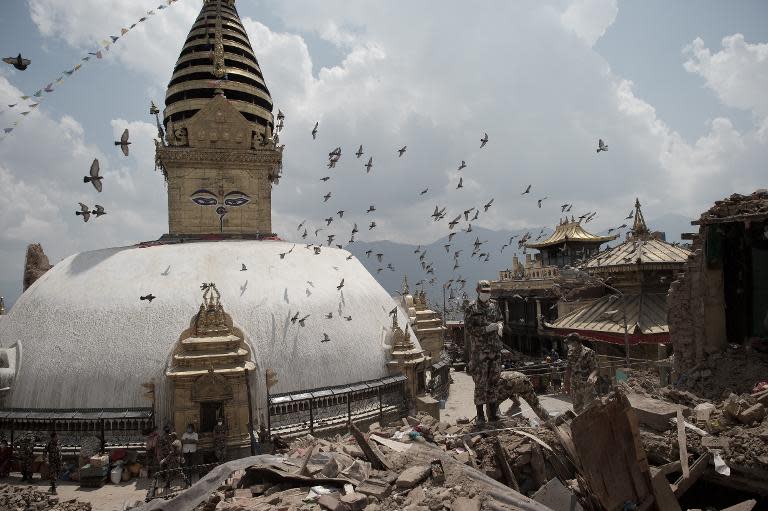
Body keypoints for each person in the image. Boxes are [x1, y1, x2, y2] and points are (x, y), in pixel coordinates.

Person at [464, 280, 504, 424]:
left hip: (495, 350)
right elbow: (469, 329)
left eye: (488, 291)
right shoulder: (471, 308)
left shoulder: (495, 305)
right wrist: (486, 329)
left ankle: (493, 414)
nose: (486, 294)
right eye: (484, 291)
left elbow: (500, 318)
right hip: (480, 353)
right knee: (480, 384)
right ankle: (480, 416)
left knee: (494, 382)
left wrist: (499, 326)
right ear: (477, 290)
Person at [564, 333, 598, 414]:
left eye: (569, 343)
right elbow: (569, 368)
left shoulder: (589, 352)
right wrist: (566, 382)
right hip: (575, 386)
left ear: (575, 342)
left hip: (586, 386)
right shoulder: (570, 352)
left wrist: (591, 376)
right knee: (577, 409)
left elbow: (595, 368)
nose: (568, 345)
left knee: (590, 408)